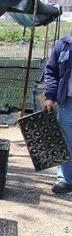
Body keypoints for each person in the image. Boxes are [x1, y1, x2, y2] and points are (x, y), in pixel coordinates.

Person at [44, 31, 72, 194]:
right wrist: (50, 96)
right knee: (66, 141)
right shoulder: (63, 44)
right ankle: (65, 180)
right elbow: (51, 72)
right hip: (67, 102)